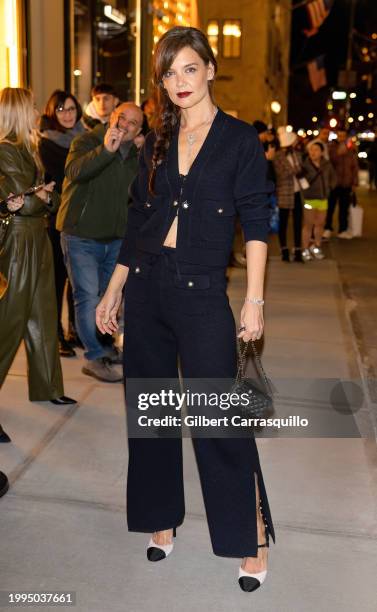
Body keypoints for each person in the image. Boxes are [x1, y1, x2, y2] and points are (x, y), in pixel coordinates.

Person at [96, 26, 275, 593]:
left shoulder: (240, 140)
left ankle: (249, 534)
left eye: (188, 69)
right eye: (168, 73)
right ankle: (161, 517)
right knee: (152, 413)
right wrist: (113, 288)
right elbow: (139, 222)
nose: (178, 82)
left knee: (216, 418)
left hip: (202, 293)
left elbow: (256, 221)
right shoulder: (154, 143)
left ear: (210, 70)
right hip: (147, 288)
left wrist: (254, 299)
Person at [0, 87, 76, 406]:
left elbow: (51, 198)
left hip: (37, 237)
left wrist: (41, 196)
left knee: (44, 316)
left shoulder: (30, 147)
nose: (36, 111)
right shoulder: (6, 149)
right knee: (9, 322)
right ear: (17, 110)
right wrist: (40, 196)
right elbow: (28, 201)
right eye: (31, 105)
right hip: (18, 241)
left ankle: (48, 387)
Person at [57, 102, 143, 383]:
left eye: (133, 123)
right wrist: (106, 149)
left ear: (139, 130)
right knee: (88, 297)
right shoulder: (88, 140)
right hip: (81, 235)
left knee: (108, 298)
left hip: (117, 238)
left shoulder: (137, 155)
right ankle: (94, 356)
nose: (125, 125)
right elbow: (74, 172)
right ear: (111, 118)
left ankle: (105, 347)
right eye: (122, 118)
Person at [39, 90, 86, 357]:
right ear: (51, 113)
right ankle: (56, 335)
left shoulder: (86, 136)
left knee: (76, 277)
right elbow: (65, 177)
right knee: (57, 279)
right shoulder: (48, 143)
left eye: (71, 109)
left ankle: (74, 330)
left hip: (81, 218)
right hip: (57, 219)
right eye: (61, 110)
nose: (67, 114)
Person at [273, 126, 304, 262]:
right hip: (284, 193)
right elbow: (281, 174)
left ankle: (298, 250)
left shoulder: (297, 154)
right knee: (283, 222)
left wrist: (298, 169)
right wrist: (296, 170)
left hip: (297, 192)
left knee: (298, 222)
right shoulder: (278, 156)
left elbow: (301, 169)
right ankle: (284, 250)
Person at [301, 142, 337, 261]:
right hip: (309, 199)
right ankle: (305, 249)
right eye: (311, 150)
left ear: (322, 152)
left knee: (320, 224)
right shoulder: (304, 165)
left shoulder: (327, 164)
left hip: (323, 199)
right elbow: (301, 181)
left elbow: (333, 178)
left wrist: (329, 188)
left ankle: (316, 246)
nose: (313, 152)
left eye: (316, 150)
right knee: (308, 225)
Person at [323, 129, 359, 239]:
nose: (342, 138)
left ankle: (342, 229)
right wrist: (338, 153)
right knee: (330, 207)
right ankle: (327, 228)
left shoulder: (351, 149)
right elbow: (328, 163)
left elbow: (354, 167)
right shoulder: (331, 148)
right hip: (334, 183)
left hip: (346, 183)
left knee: (344, 208)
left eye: (344, 136)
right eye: (340, 136)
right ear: (337, 136)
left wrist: (354, 182)